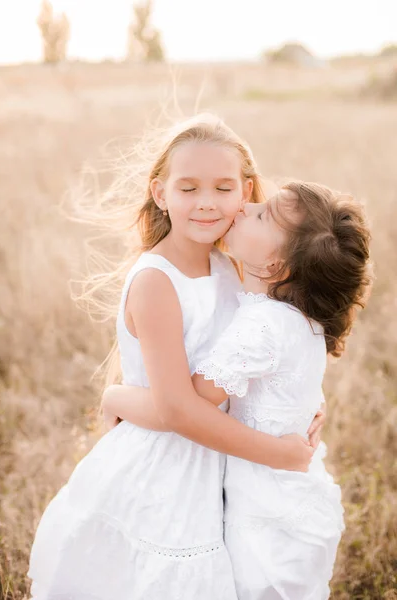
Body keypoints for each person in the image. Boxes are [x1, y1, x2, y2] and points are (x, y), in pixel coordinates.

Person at [27, 115, 323, 600]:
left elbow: (275, 345)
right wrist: (282, 453)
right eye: (188, 188)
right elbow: (177, 410)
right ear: (160, 193)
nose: (207, 202)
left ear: (246, 192)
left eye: (222, 187)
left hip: (224, 463)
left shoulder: (235, 266)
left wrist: (306, 401)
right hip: (167, 474)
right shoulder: (156, 281)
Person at [102, 181, 372, 599]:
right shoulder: (295, 318)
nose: (245, 207)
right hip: (296, 501)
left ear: (276, 266)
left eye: (262, 214)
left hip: (267, 516)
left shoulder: (262, 327)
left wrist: (113, 397)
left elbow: (180, 407)